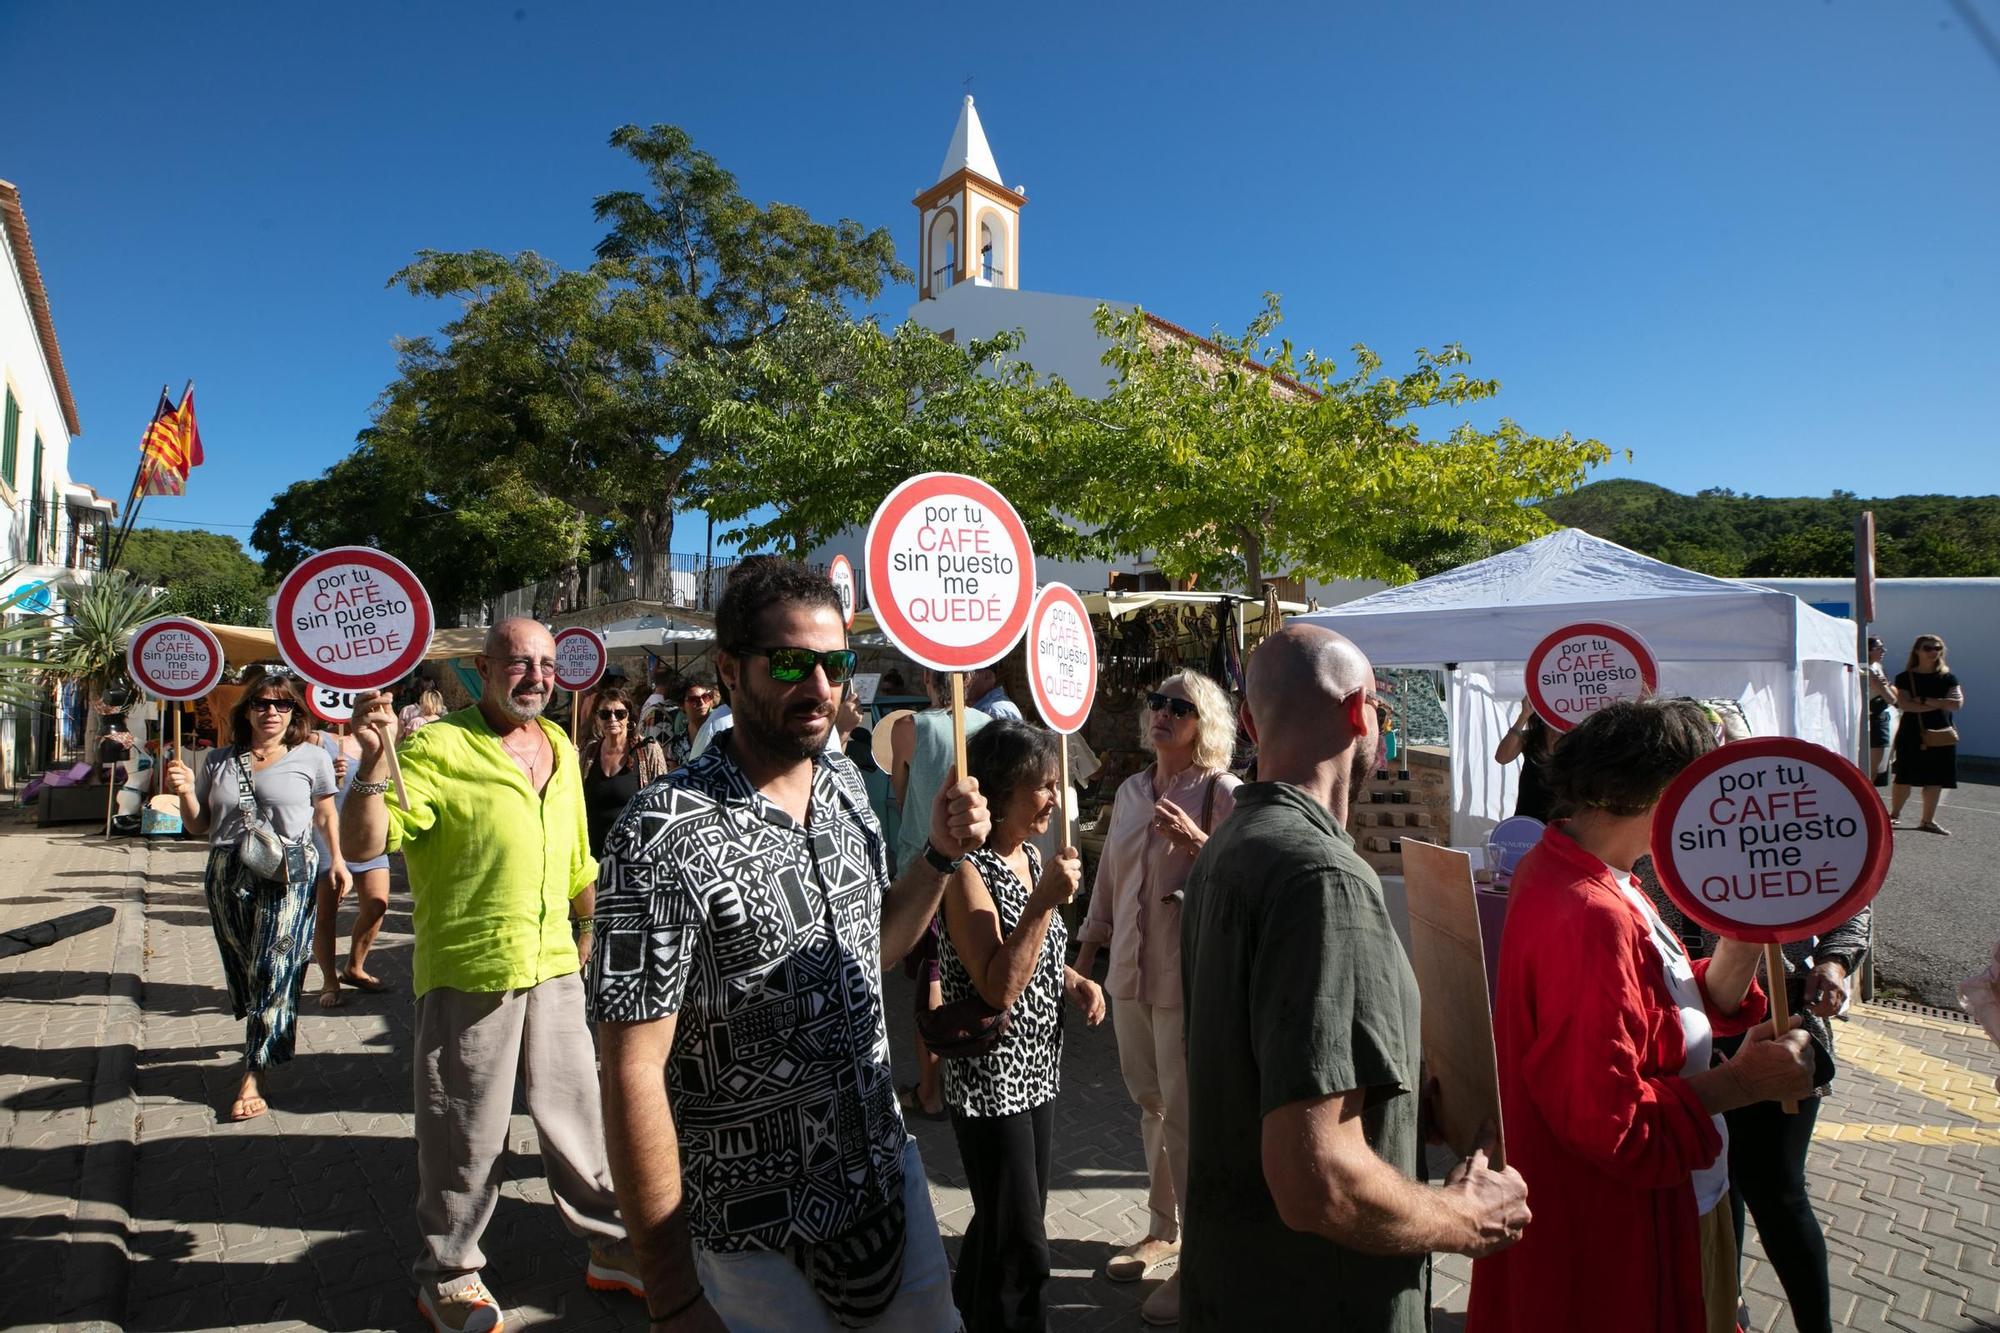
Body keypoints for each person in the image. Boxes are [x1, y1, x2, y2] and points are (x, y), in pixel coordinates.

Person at [587, 558, 991, 1332]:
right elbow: (630, 1067)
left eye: (835, 663)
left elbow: (870, 950)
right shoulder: (660, 832)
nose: (820, 683)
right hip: (750, 1236)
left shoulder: (843, 785)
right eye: (790, 662)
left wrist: (938, 856)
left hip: (885, 1188)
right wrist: (671, 1294)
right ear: (731, 670)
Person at [1179, 626, 1529, 1332]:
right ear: (1360, 712)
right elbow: (1318, 1182)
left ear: (1248, 721)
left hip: (1237, 1286)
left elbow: (1269, 1063)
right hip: (1317, 1301)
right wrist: (1463, 1218)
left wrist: (1392, 1105)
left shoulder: (1229, 845)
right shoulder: (1322, 877)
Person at [1467, 697, 1818, 1333]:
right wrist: (1744, 1081)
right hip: (1619, 1227)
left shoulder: (1591, 869)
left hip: (1648, 1202)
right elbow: (1611, 1121)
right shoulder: (1590, 911)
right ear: (1659, 794)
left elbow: (1663, 1001)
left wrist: (1741, 941)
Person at [341, 617, 638, 1333]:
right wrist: (374, 763)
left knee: (579, 1117)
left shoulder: (563, 745)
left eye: (546, 662)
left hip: (556, 964)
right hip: (471, 967)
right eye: (518, 661)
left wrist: (592, 928)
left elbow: (576, 860)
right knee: (465, 1129)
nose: (536, 674)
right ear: (482, 667)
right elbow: (366, 844)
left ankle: (612, 1246)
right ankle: (448, 1274)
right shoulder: (438, 746)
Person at [1073, 670, 1240, 1323]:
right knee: (1149, 1100)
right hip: (1129, 974)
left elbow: (1247, 874)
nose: (1164, 713)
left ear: (1206, 722)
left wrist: (1201, 844)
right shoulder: (1131, 790)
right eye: (1158, 702)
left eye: (1181, 705)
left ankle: (1203, 1253)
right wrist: (1084, 956)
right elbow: (1108, 880)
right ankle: (1163, 1227)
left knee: (1186, 1112)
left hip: (1187, 977)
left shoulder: (1223, 790)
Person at [939, 720, 1104, 1332]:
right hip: (990, 1079)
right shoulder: (965, 873)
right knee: (1023, 1245)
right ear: (1002, 792)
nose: (1055, 799)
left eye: (1056, 785)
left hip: (1038, 1071)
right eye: (1042, 786)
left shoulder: (1032, 856)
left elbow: (1034, 957)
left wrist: (1073, 979)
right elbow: (996, 984)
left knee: (1004, 1218)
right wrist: (1042, 903)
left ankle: (956, 1316)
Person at [162, 665, 349, 1122]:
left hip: (291, 870)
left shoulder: (312, 757)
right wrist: (184, 793)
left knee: (275, 964)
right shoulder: (221, 760)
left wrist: (338, 860)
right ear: (246, 712)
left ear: (293, 713)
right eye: (262, 704)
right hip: (228, 870)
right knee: (246, 967)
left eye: (282, 704)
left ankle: (254, 1070)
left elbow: (324, 815)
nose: (272, 712)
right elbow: (198, 826)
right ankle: (262, 1026)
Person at [891, 669, 994, 1120]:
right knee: (972, 973)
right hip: (977, 865)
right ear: (967, 681)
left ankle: (932, 1091)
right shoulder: (989, 729)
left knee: (931, 979)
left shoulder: (908, 729)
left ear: (929, 683)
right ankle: (972, 1079)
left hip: (923, 865)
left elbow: (899, 795)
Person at [311, 727, 393, 1009]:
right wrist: (326, 775)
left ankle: (354, 967)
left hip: (368, 834)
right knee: (327, 913)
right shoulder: (318, 739)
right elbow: (300, 780)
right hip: (329, 836)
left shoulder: (387, 736)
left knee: (377, 904)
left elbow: (394, 781)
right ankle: (329, 981)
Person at [579, 682, 669, 859]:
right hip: (593, 855)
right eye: (605, 714)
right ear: (597, 718)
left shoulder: (647, 750)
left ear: (629, 718)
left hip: (635, 856)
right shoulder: (588, 753)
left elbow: (662, 802)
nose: (612, 719)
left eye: (619, 714)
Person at [1890, 633, 1965, 835]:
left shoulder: (1948, 677)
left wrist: (1922, 700)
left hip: (1941, 733)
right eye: (1928, 648)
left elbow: (1956, 704)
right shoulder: (1905, 677)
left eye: (1937, 648)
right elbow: (1905, 705)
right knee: (1904, 776)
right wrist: (1939, 702)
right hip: (1911, 732)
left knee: (1936, 778)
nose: (1933, 652)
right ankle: (1894, 815)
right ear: (1917, 651)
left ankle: (1927, 821)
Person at [1493, 703, 1556, 821]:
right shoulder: (1530, 737)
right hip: (1529, 815)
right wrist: (1524, 715)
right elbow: (1502, 757)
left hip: (1563, 817)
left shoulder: (1575, 739)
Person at [1864, 636, 1896, 786]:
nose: (1884, 651)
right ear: (1868, 650)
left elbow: (1889, 690)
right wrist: (1886, 688)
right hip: (1874, 719)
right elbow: (1891, 698)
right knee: (1871, 768)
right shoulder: (1868, 670)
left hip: (1881, 717)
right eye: (1879, 648)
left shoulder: (1877, 666)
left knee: (1877, 767)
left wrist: (1886, 686)